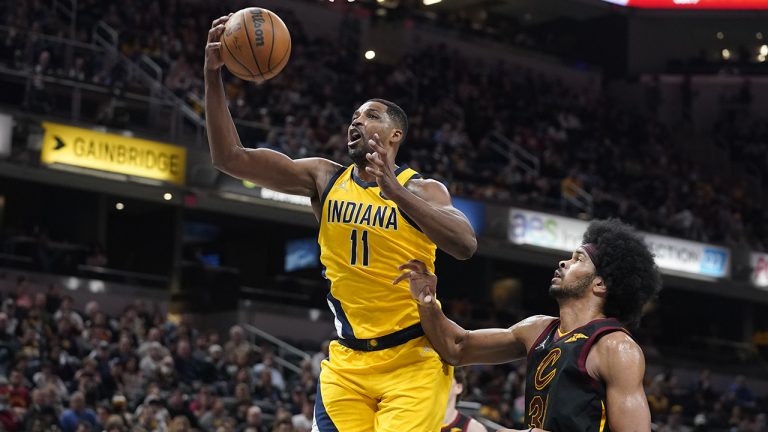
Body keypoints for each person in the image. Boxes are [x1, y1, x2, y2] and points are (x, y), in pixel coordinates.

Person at [204, 14, 477, 431]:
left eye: (369, 116)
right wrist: (212, 76)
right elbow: (230, 158)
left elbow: (464, 244)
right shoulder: (323, 177)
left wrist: (395, 192)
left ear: (394, 135)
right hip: (347, 363)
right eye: (354, 116)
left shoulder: (422, 190)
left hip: (413, 358)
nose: (355, 121)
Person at [396, 219, 661, 431]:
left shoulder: (616, 347)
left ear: (600, 284)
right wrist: (428, 302)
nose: (563, 262)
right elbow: (457, 347)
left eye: (578, 259)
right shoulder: (537, 329)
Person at [441, 368, 487, 432]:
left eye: (444, 379)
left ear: (458, 388)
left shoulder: (473, 429)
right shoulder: (423, 420)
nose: (438, 384)